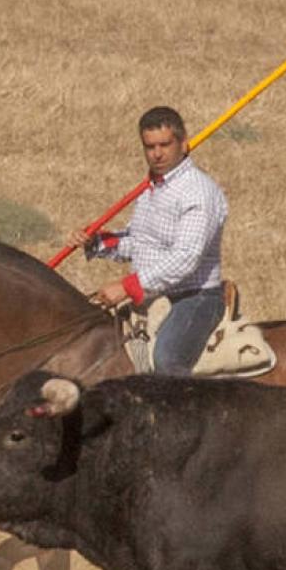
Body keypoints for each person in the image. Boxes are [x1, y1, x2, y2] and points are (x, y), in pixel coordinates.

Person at [75, 107, 227, 376]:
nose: (157, 153)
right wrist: (97, 243)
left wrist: (127, 286)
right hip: (154, 294)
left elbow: (186, 258)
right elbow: (142, 243)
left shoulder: (198, 192)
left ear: (183, 142)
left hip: (195, 298)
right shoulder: (151, 189)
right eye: (150, 146)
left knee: (166, 362)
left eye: (164, 145)